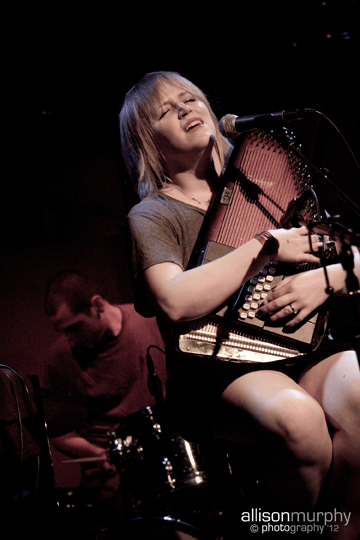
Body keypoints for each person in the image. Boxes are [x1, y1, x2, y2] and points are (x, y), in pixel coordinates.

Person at [119, 71, 360, 539]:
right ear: (148, 141)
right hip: (217, 368)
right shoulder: (152, 215)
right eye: (167, 110)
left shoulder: (271, 184)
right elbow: (173, 301)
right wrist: (264, 248)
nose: (186, 109)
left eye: (191, 99)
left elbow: (355, 256)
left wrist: (328, 280)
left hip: (301, 348)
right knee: (299, 422)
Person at [43, 269, 166, 523]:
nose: (70, 340)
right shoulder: (59, 359)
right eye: (62, 331)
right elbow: (57, 432)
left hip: (164, 455)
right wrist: (98, 455)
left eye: (74, 328)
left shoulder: (150, 322)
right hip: (109, 472)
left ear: (97, 305)